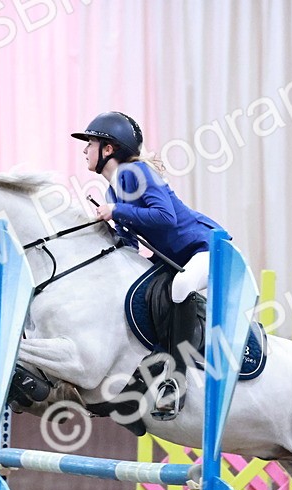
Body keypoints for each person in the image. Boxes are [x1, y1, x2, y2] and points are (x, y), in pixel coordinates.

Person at [72, 111, 225, 420]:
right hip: (174, 259)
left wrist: (115, 211)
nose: (84, 151)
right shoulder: (114, 189)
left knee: (181, 287)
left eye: (89, 143)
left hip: (206, 249)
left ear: (108, 149)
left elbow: (165, 217)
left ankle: (175, 380)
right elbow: (127, 244)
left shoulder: (134, 173)